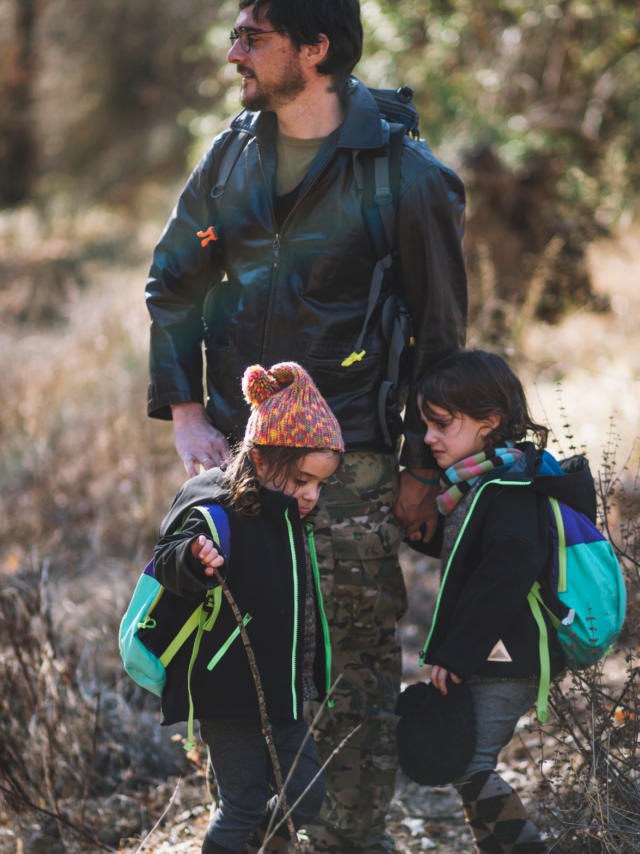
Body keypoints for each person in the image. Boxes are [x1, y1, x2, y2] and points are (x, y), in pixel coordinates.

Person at [145, 1, 467, 850]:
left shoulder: (404, 174)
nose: (232, 55)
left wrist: (419, 470)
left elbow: (440, 335)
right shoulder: (229, 155)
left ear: (316, 49)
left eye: (253, 38)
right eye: (236, 35)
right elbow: (174, 284)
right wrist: (185, 415)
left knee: (352, 679)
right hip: (242, 475)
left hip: (350, 468)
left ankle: (351, 842)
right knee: (248, 670)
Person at [152, 361, 344, 854]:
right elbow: (166, 562)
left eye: (321, 485)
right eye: (303, 479)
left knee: (307, 796)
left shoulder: (289, 516)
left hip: (285, 691)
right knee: (242, 804)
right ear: (261, 461)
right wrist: (195, 558)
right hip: (227, 691)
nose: (311, 495)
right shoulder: (217, 506)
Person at [411, 349, 591, 853]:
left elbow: (504, 574)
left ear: (489, 421)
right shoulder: (483, 483)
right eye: (427, 424)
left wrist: (456, 655)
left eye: (442, 424)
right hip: (496, 650)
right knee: (473, 770)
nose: (429, 438)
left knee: (472, 766)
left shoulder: (506, 487)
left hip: (505, 653)